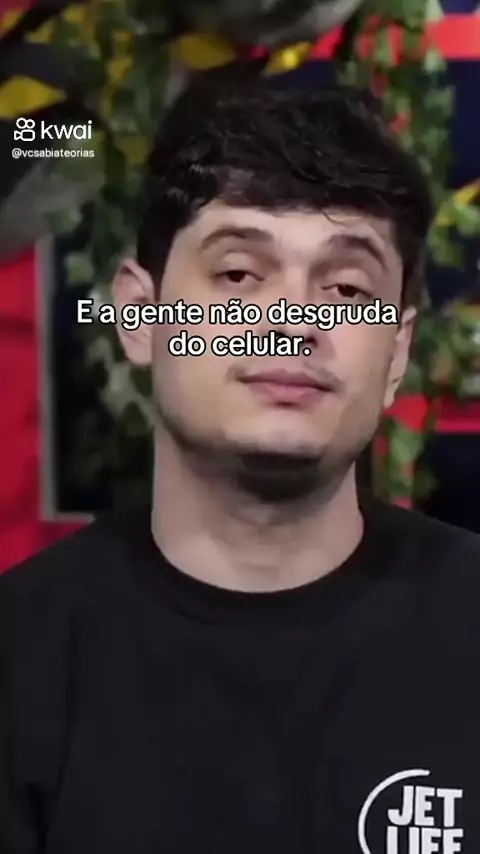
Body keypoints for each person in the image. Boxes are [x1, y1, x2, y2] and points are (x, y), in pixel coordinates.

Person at [1, 75, 479, 854]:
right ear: (139, 316)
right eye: (238, 275)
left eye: (346, 288)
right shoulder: (21, 661)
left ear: (396, 353)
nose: (293, 322)